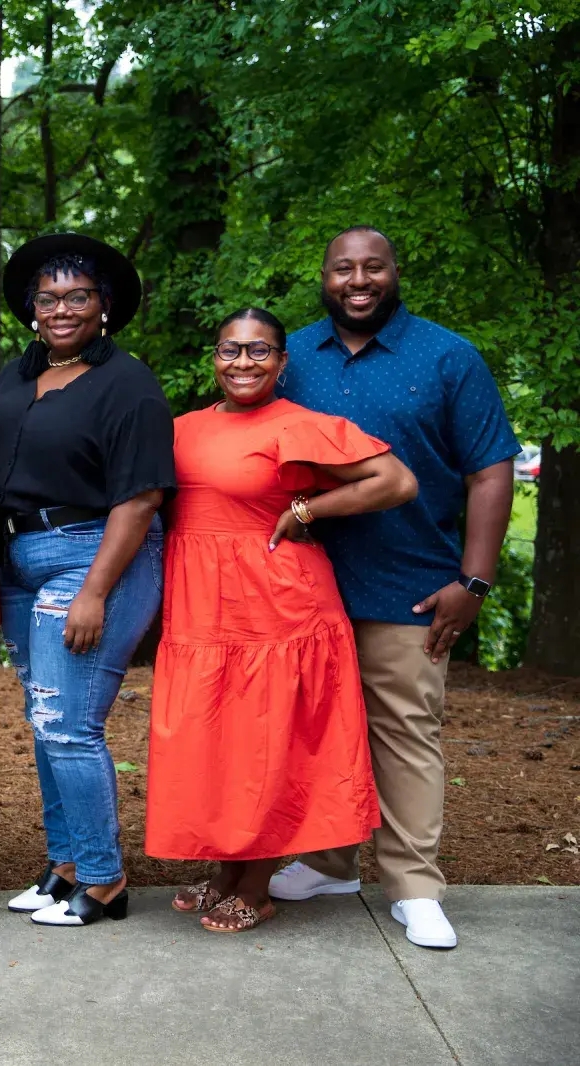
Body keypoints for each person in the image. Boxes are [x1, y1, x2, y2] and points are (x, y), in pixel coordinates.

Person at [270, 227, 519, 950]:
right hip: (306, 585)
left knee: (405, 733)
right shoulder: (293, 360)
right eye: (343, 268)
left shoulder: (447, 356)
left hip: (412, 583)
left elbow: (489, 469)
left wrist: (474, 579)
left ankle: (413, 883)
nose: (358, 280)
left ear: (394, 273)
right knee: (313, 730)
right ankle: (326, 860)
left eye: (372, 267)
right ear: (323, 276)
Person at [145, 308, 418, 932]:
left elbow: (395, 480)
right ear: (213, 357)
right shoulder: (183, 428)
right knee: (210, 737)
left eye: (259, 351)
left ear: (282, 362)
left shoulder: (296, 425)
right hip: (202, 609)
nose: (243, 363)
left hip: (276, 607)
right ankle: (226, 869)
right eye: (230, 350)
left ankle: (258, 883)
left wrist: (308, 507)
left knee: (263, 740)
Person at [0, 233, 175, 928]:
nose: (62, 308)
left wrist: (95, 590)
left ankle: (103, 880)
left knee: (69, 724)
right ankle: (65, 864)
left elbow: (142, 498)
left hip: (94, 553)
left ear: (104, 307)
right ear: (32, 309)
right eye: (49, 297)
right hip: (19, 561)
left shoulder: (128, 383)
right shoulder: (16, 375)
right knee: (46, 721)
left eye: (79, 296)